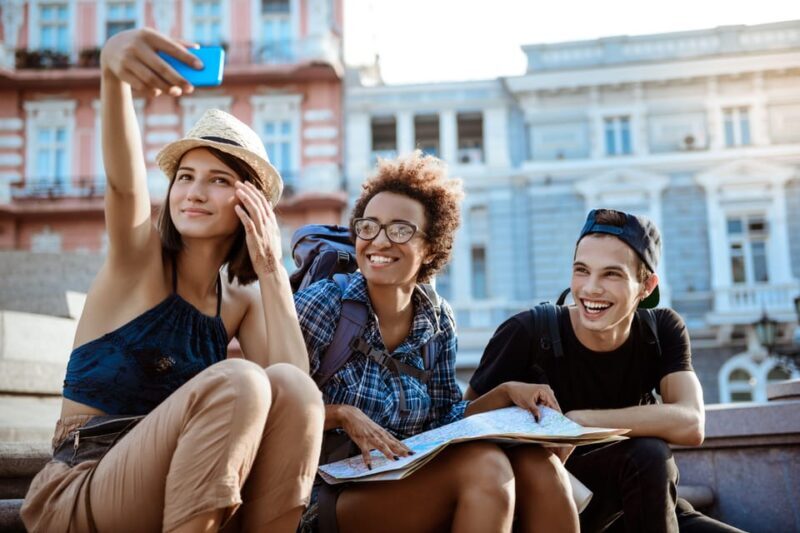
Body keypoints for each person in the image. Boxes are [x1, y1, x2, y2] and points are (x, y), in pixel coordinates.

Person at [21, 28, 323, 533]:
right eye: (185, 176)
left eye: (218, 180)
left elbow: (295, 391)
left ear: (251, 204)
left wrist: (271, 266)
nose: (194, 192)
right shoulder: (139, 259)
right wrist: (113, 74)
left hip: (179, 485)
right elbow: (122, 184)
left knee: (293, 389)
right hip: (85, 481)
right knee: (240, 379)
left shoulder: (241, 299)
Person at [294, 151, 579, 533]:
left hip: (406, 476)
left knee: (537, 463)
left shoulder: (438, 320)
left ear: (430, 247)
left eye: (400, 230)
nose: (379, 241)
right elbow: (276, 406)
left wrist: (506, 393)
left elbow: (443, 421)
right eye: (369, 227)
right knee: (485, 469)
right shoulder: (324, 303)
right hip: (324, 493)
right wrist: (342, 414)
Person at [466, 208, 745, 533]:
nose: (591, 288)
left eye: (611, 274)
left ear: (646, 286)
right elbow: (462, 420)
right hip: (557, 506)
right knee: (648, 454)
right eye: (582, 271)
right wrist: (508, 396)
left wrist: (580, 422)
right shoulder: (527, 332)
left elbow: (692, 423)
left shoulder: (661, 329)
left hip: (645, 503)